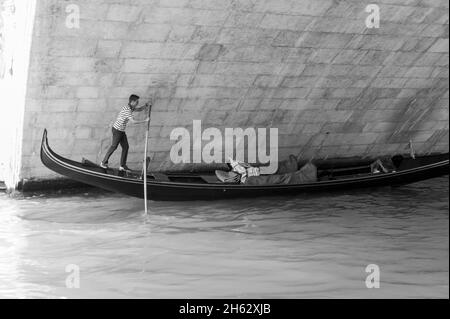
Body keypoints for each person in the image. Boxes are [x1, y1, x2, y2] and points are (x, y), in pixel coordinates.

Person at [100, 94, 151, 171]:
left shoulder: (130, 108)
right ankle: (103, 162)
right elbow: (133, 122)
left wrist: (146, 105)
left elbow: (139, 109)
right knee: (114, 146)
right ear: (132, 102)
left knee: (125, 147)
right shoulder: (127, 110)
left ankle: (122, 166)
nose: (137, 103)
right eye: (137, 102)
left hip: (121, 131)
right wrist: (145, 120)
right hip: (117, 130)